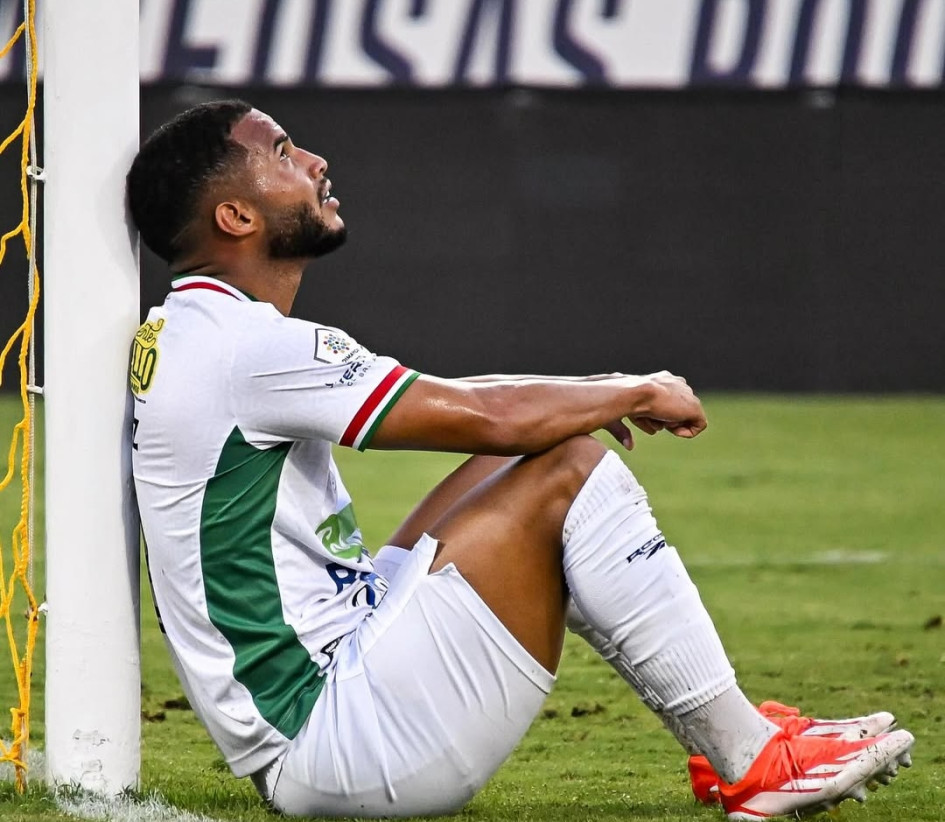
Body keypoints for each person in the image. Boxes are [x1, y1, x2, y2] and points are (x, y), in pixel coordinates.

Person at [126, 100, 914, 820]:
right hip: (341, 744)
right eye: (284, 151)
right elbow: (487, 417)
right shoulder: (247, 348)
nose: (316, 161)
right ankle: (750, 759)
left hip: (322, 707)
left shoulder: (202, 332)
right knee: (565, 466)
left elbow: (460, 403)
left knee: (527, 452)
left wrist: (606, 388)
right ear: (234, 214)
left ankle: (726, 735)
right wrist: (633, 391)